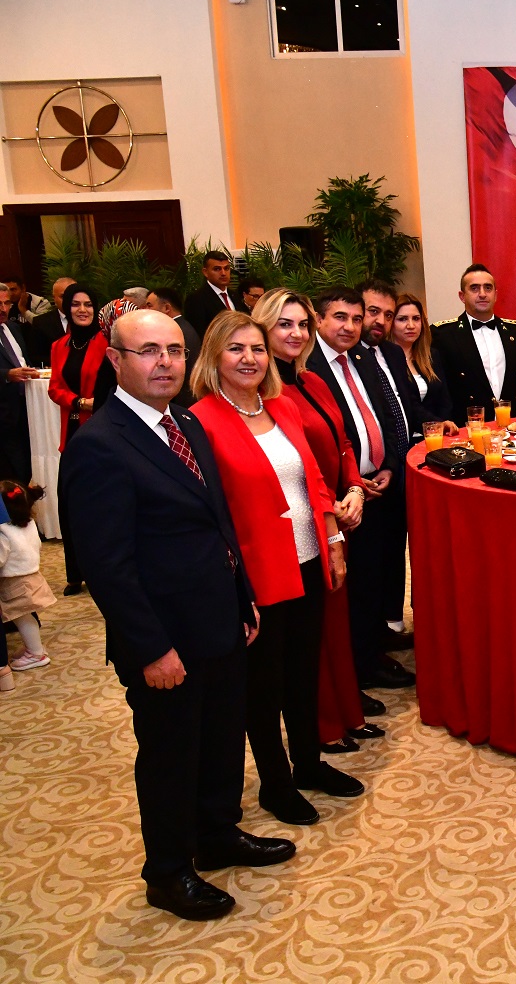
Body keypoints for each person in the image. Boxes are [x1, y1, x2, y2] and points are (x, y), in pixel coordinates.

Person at [60, 309, 289, 921]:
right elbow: (108, 567)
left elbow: (217, 520)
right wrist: (151, 649)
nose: (164, 362)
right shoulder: (100, 445)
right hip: (165, 639)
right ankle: (167, 872)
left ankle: (216, 833)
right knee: (170, 756)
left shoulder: (184, 422)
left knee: (221, 740)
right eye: (148, 351)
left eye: (174, 350)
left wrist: (241, 597)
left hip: (219, 619)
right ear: (116, 361)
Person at [190, 310, 360, 825]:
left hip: (307, 558)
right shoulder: (200, 421)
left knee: (303, 672)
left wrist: (333, 540)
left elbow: (313, 480)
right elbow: (209, 512)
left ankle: (308, 763)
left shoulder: (282, 406)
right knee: (263, 687)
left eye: (258, 349)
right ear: (214, 356)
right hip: (257, 573)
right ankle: (275, 784)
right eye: (236, 349)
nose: (250, 359)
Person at [253, 288, 384, 748]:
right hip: (304, 522)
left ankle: (347, 713)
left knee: (336, 624)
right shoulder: (261, 395)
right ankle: (325, 726)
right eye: (284, 324)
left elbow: (342, 442)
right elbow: (292, 466)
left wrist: (355, 489)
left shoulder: (312, 381)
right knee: (312, 635)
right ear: (262, 328)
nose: (296, 333)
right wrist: (331, 506)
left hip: (336, 514)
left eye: (302, 324)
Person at [305, 288, 414, 690]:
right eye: (340, 317)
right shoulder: (308, 367)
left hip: (375, 483)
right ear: (319, 320)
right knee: (354, 586)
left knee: (375, 575)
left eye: (355, 319)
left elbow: (386, 416)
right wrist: (349, 482)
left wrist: (388, 466)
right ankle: (361, 668)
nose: (350, 327)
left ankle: (374, 646)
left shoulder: (362, 358)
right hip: (342, 494)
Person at [357, 279, 421, 645]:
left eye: (387, 314)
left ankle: (393, 623)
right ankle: (374, 635)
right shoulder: (352, 358)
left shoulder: (393, 354)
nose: (380, 321)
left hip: (403, 464)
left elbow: (406, 406)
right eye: (373, 312)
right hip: (375, 472)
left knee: (397, 546)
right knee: (372, 558)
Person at [48, 283, 116, 596]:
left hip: (101, 430)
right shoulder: (59, 345)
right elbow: (55, 388)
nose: (82, 310)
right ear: (66, 307)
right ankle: (75, 573)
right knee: (69, 502)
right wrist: (78, 402)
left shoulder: (107, 341)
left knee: (101, 502)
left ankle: (105, 569)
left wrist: (93, 403)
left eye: (88, 304)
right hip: (72, 431)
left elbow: (114, 384)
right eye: (76, 304)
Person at [430, 264, 516, 422]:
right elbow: (439, 392)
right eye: (474, 288)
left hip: (514, 428)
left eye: (488, 288)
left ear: (496, 294)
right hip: (467, 428)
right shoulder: (444, 334)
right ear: (462, 296)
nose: (482, 294)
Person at [0, 481, 56, 675]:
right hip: (32, 575)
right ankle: (34, 648)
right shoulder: (30, 524)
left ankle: (36, 653)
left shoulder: (4, 532)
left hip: (14, 581)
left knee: (21, 618)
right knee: (26, 616)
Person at [391, 294, 457, 431]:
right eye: (402, 319)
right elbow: (409, 405)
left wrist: (444, 425)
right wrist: (436, 424)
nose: (411, 325)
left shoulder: (431, 355)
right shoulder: (385, 359)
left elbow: (445, 400)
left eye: (416, 318)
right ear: (390, 322)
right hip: (407, 435)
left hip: (437, 435)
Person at [0, 282, 39, 484]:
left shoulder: (14, 328)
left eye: (6, 303)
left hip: (28, 404)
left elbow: (23, 360)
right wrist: (7, 374)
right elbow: (11, 369)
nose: (3, 309)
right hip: (4, 410)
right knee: (15, 467)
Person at [146, 285, 201, 408]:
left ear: (167, 308)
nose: (145, 310)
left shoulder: (176, 332)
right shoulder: (183, 327)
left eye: (149, 306)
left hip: (182, 402)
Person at [183, 250, 245, 337]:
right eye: (217, 269)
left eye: (226, 268)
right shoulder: (196, 299)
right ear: (205, 272)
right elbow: (198, 334)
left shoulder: (235, 296)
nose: (223, 273)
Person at [26, 276, 74, 363]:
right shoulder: (41, 323)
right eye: (63, 296)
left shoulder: (90, 320)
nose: (69, 300)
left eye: (72, 296)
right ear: (54, 298)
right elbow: (34, 357)